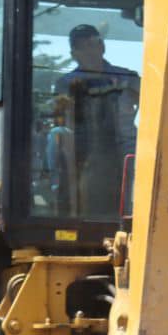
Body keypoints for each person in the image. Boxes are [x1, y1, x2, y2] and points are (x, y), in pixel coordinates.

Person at [52, 24, 139, 215]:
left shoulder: (128, 78)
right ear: (74, 53)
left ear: (103, 47)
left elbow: (152, 101)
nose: (90, 51)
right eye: (83, 47)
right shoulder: (65, 84)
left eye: (94, 44)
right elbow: (59, 114)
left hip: (127, 151)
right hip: (83, 153)